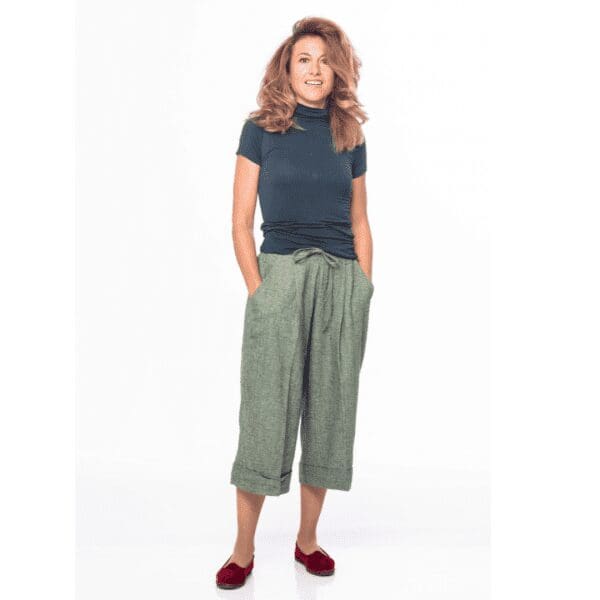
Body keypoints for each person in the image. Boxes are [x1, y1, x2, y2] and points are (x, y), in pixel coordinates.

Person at [216, 16, 374, 589]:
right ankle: (243, 549)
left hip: (339, 281)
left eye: (325, 60)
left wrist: (363, 287)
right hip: (280, 277)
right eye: (304, 58)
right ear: (286, 68)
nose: (314, 69)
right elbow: (240, 222)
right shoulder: (260, 130)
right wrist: (260, 291)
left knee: (330, 413)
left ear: (337, 72)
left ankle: (307, 540)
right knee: (265, 413)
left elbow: (360, 220)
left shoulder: (350, 135)